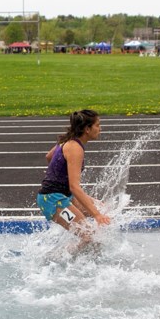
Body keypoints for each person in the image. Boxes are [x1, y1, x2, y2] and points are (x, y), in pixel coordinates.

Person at [37, 109, 112, 255]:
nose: (100, 129)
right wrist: (96, 215)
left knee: (104, 210)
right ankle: (59, 259)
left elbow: (49, 156)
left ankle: (89, 257)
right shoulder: (75, 148)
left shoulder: (67, 141)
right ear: (87, 129)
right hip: (52, 200)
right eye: (98, 125)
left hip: (62, 196)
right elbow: (74, 187)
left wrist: (56, 174)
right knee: (89, 236)